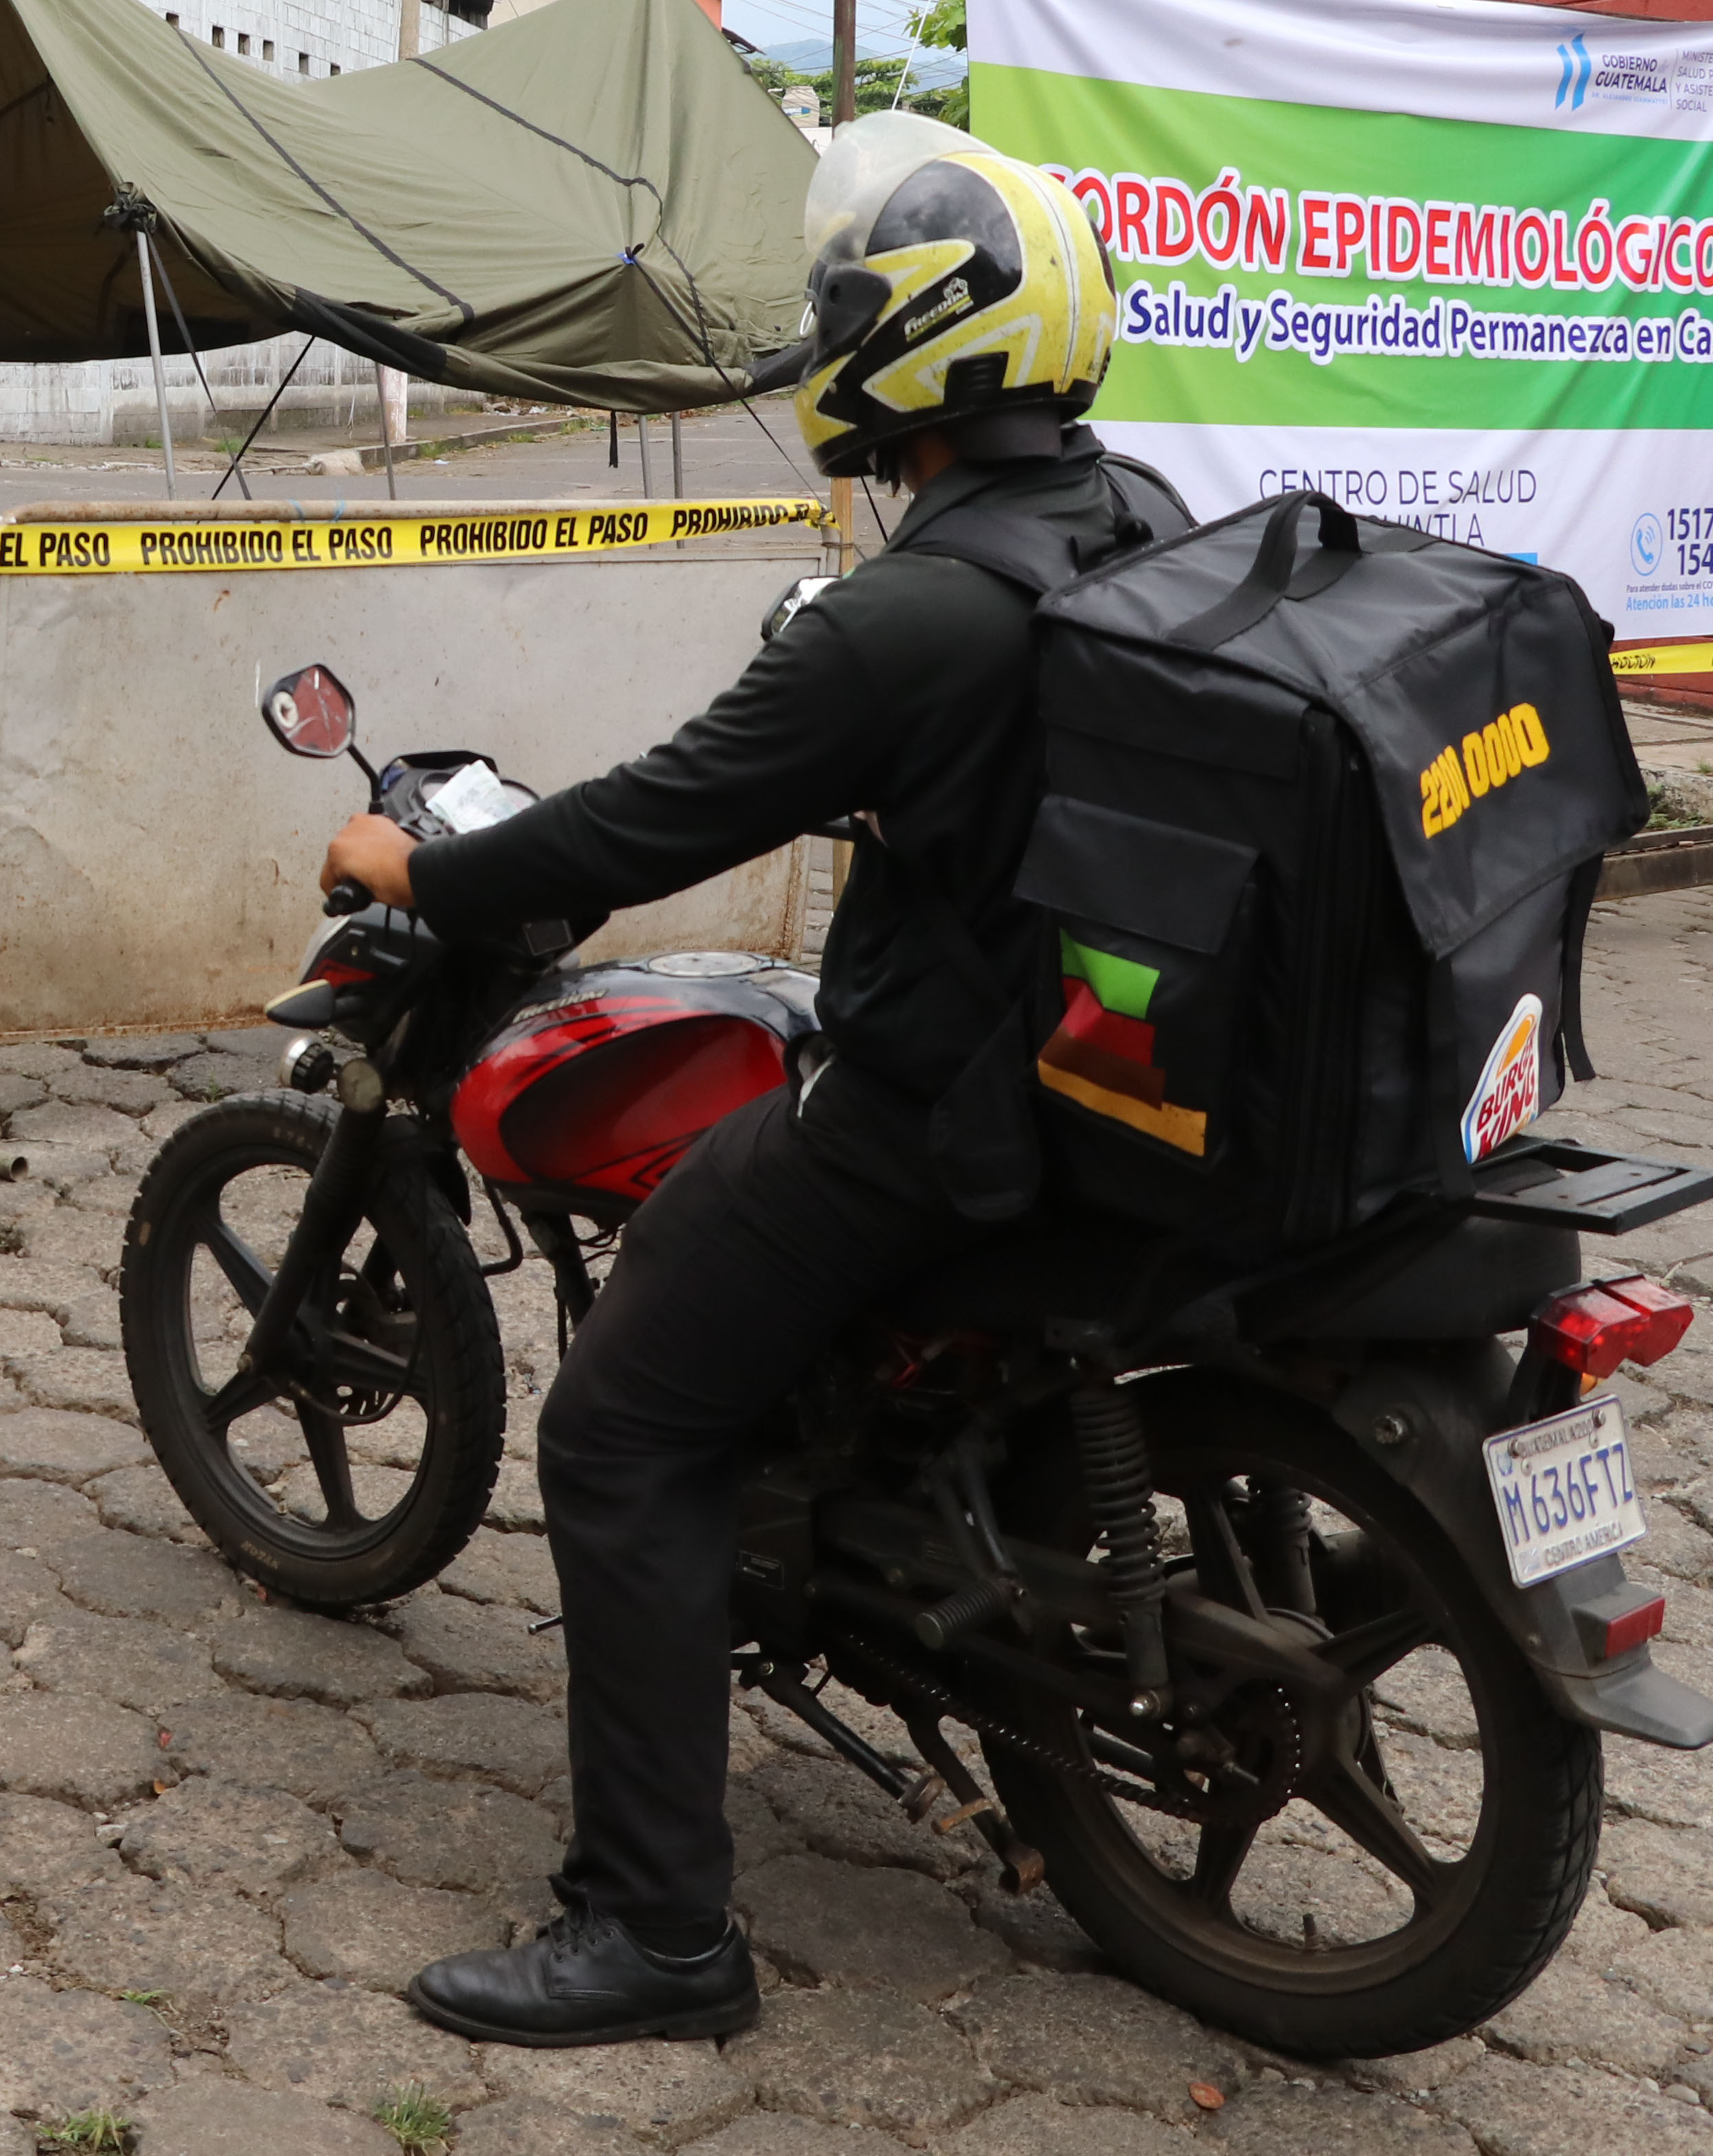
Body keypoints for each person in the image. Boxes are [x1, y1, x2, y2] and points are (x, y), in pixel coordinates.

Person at [326, 114, 1170, 2049]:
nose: (821, 336)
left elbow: (642, 826)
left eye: (841, 309)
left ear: (908, 349)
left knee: (622, 1437)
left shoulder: (908, 617)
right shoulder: (1139, 526)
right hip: (1111, 1095)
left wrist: (422, 870)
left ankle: (659, 1937)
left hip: (939, 1118)